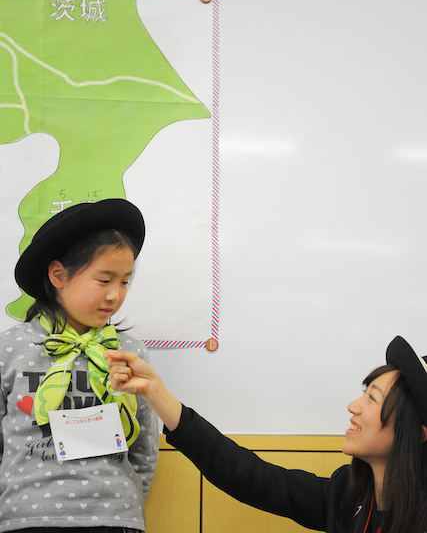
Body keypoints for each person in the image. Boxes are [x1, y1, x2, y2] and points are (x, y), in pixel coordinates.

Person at [105, 336, 427, 533]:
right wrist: (155, 391)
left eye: (372, 398)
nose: (353, 406)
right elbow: (249, 476)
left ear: (417, 433)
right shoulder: (346, 494)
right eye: (363, 392)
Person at [0, 198, 159, 533]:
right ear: (59, 275)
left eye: (124, 281)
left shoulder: (129, 353)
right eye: (104, 280)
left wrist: (125, 503)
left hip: (115, 517)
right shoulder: (10, 349)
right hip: (26, 516)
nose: (115, 295)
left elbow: (144, 447)